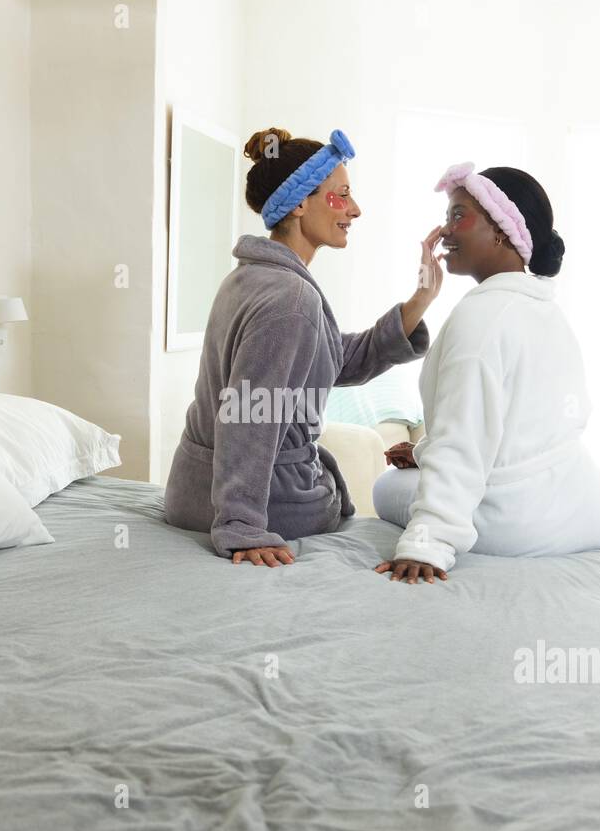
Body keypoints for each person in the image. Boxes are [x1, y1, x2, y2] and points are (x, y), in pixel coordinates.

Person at [164, 127, 442, 566]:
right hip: (262, 504)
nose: (355, 209)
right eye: (341, 195)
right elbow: (251, 415)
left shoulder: (250, 277)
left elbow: (336, 360)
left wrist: (420, 300)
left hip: (194, 493)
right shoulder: (291, 300)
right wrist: (242, 527)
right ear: (299, 203)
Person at [373, 162, 600, 584]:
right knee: (421, 468)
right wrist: (422, 452)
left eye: (458, 215)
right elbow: (521, 425)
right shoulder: (543, 307)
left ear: (503, 230)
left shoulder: (480, 317)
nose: (445, 231)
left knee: (385, 490)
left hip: (525, 522)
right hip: (587, 508)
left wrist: (425, 544)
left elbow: (461, 439)